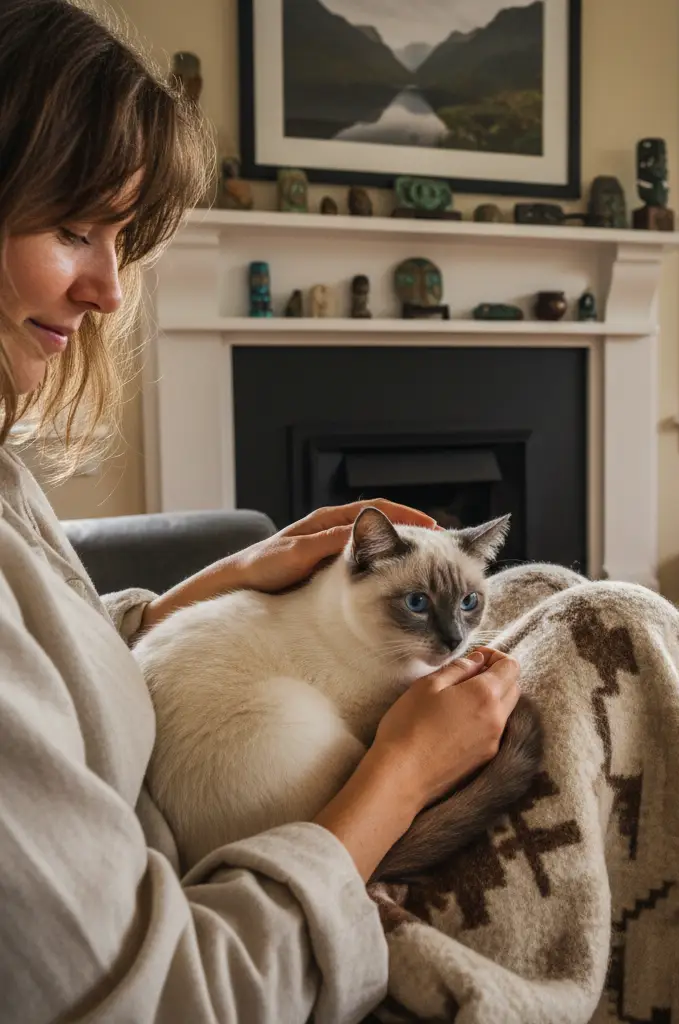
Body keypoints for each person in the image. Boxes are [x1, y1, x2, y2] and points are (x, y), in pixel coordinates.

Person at [0, 1, 521, 1020]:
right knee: (619, 648)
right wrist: (403, 775)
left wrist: (219, 582)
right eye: (76, 229)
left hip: (212, 790)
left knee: (569, 617)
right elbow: (170, 998)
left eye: (121, 238)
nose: (109, 291)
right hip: (250, 911)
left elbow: (48, 682)